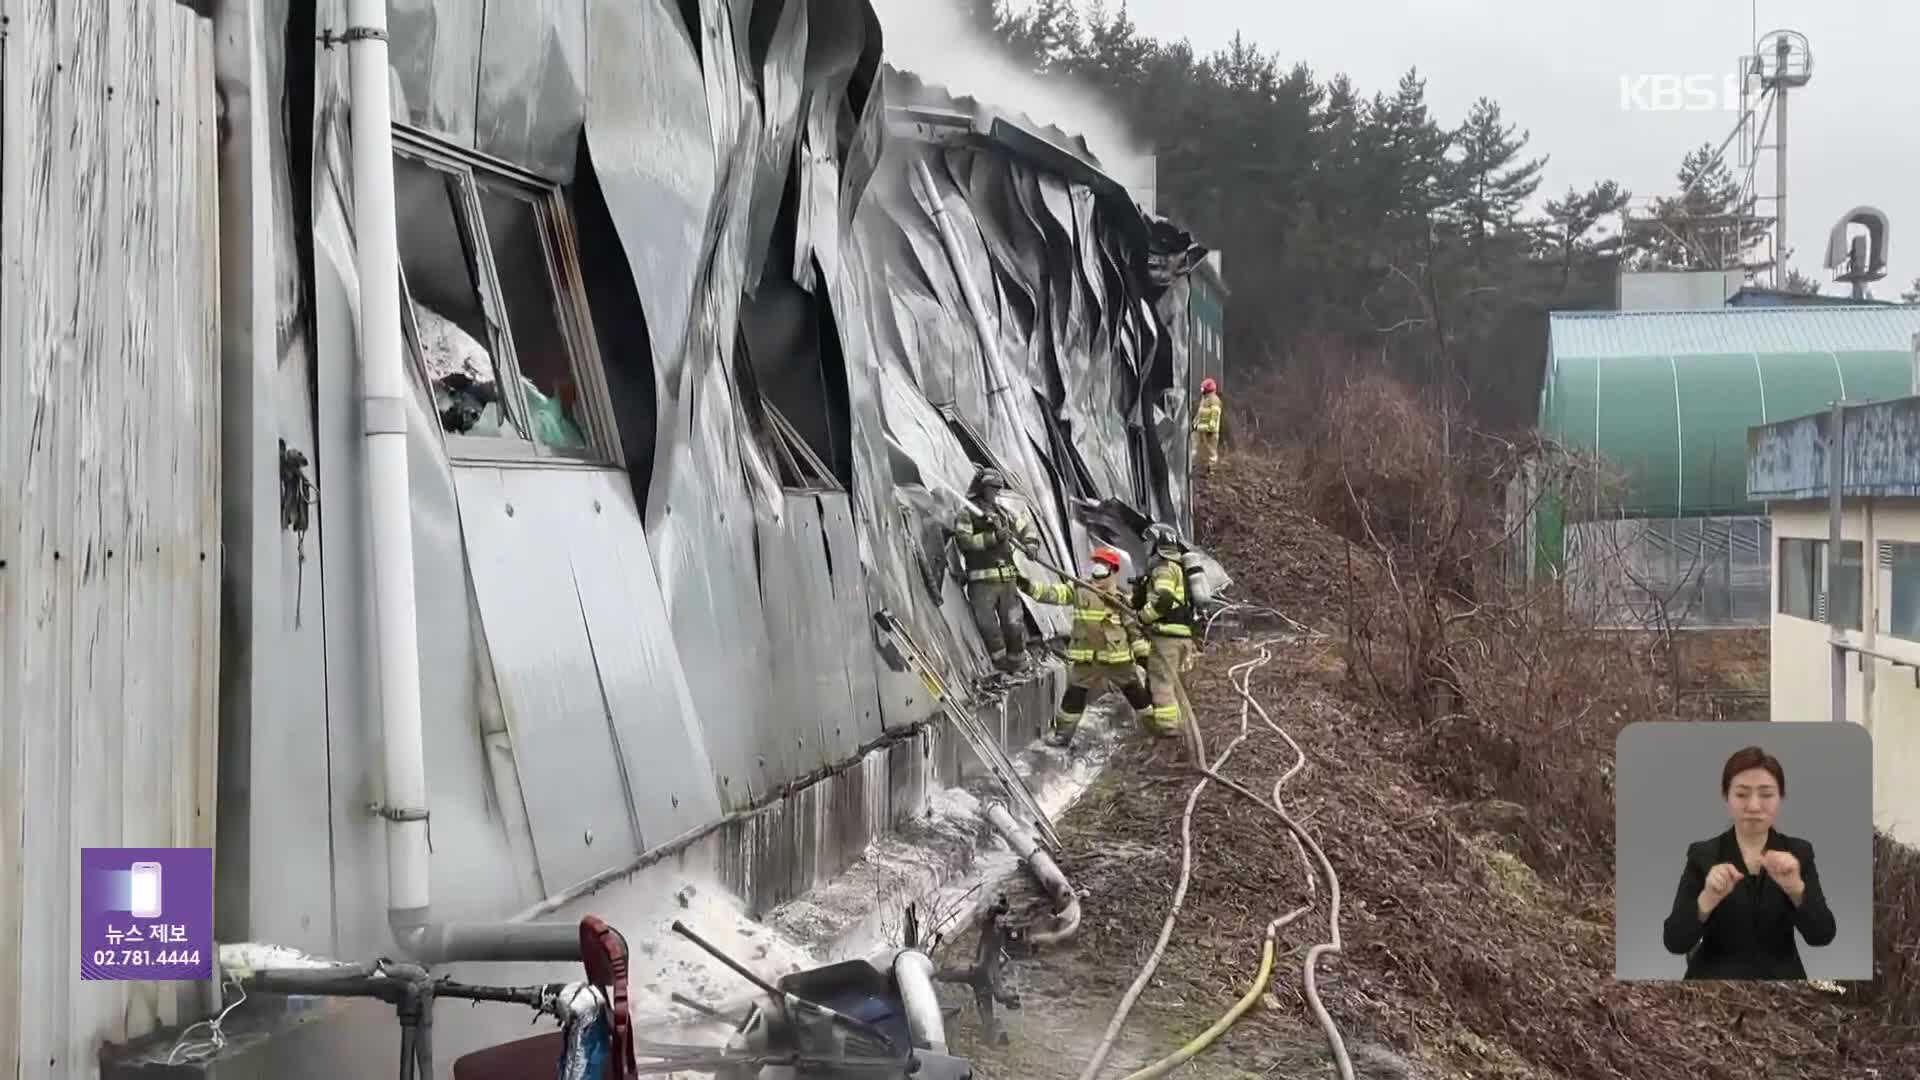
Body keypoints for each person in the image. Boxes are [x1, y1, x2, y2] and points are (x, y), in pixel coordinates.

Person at [1660, 745, 1837, 979]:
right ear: (1726, 797)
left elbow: (1822, 936)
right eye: (1742, 794)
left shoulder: (1798, 853)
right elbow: (1675, 941)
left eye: (1766, 794)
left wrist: (1795, 888)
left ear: (1781, 797)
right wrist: (1708, 898)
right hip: (1713, 984)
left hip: (1782, 986)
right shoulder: (1703, 854)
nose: (1754, 806)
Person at [1017, 547, 1154, 748]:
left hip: (1117, 660)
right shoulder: (1080, 590)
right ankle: (1062, 736)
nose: (1097, 570)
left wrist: (1143, 657)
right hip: (1087, 659)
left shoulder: (1121, 599)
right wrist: (1027, 586)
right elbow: (1051, 594)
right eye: (1096, 564)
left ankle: (1153, 729)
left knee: (1136, 694)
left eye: (1103, 565)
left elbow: (1134, 631)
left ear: (1113, 571)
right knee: (1073, 696)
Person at [954, 468, 1040, 673]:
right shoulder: (968, 513)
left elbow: (1026, 528)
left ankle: (1019, 665)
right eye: (992, 488)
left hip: (1008, 583)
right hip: (982, 584)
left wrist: (1031, 545)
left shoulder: (1002, 513)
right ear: (982, 488)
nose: (995, 492)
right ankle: (1001, 667)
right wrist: (993, 538)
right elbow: (964, 541)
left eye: (997, 489)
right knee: (989, 627)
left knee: (1014, 625)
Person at [1133, 523, 1197, 744]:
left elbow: (1165, 599)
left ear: (1156, 545)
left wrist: (1144, 617)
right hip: (1182, 636)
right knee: (1173, 684)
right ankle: (1180, 728)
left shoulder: (1163, 568)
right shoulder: (1179, 567)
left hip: (1167, 637)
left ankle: (1169, 733)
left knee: (1162, 684)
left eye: (1148, 543)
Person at [1191, 378, 1223, 468]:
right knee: (1196, 449)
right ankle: (1195, 467)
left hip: (1210, 433)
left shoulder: (1215, 401)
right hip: (1201, 430)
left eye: (1203, 389)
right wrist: (1194, 424)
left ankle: (1211, 470)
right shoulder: (1204, 400)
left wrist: (1198, 427)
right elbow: (1199, 415)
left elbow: (1213, 423)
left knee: (1211, 453)